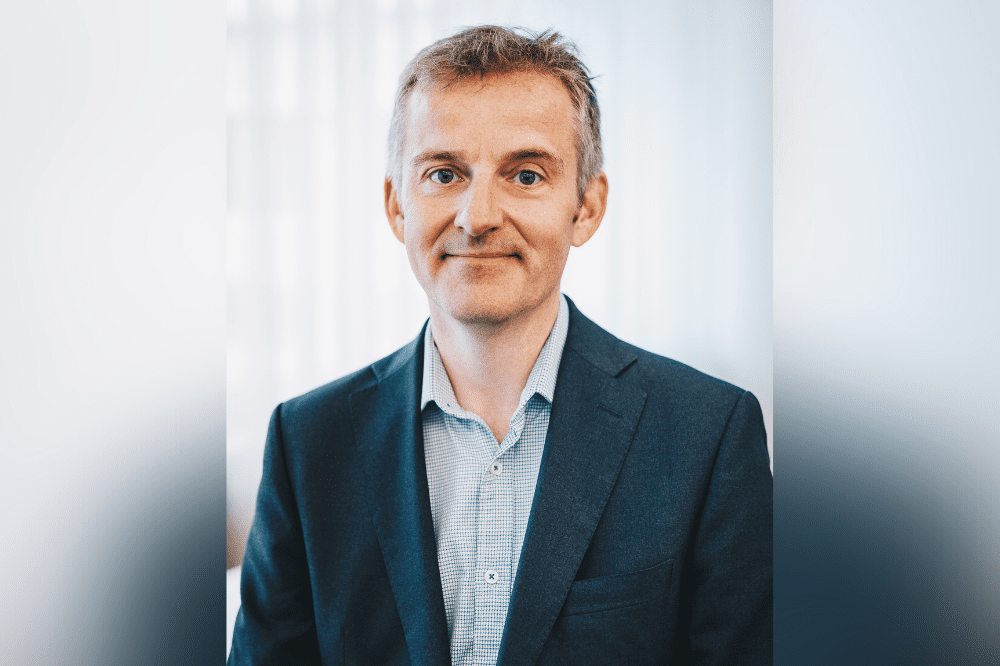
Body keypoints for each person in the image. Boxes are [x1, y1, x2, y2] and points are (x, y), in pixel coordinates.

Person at [229, 25, 771, 666]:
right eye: (443, 174)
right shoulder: (307, 444)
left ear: (586, 206)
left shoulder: (709, 436)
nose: (478, 216)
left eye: (526, 175)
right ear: (397, 206)